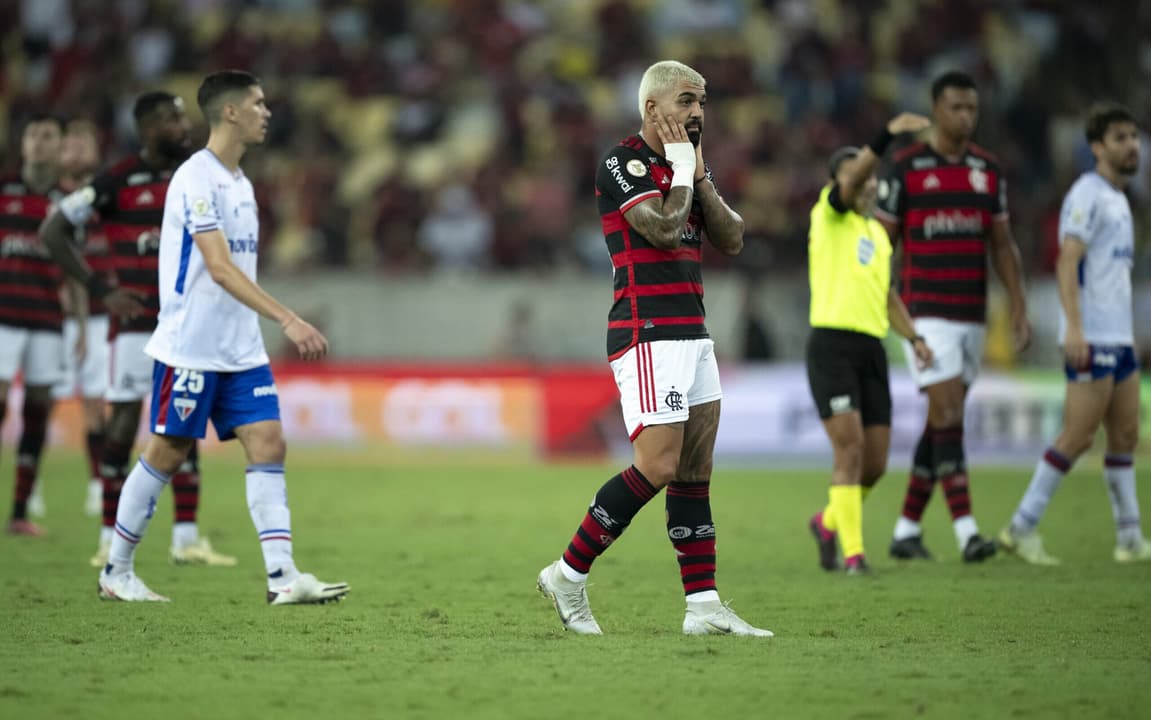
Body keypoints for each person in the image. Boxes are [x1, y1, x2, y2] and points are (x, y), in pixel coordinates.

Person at [94, 70, 348, 603]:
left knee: (268, 442)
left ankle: (282, 577)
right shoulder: (195, 179)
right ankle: (116, 572)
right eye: (258, 103)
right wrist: (287, 318)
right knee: (168, 450)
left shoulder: (239, 181)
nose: (267, 112)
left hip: (240, 350)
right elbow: (219, 268)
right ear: (230, 112)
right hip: (192, 346)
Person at [536, 60, 770, 636]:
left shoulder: (689, 166)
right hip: (648, 334)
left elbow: (733, 237)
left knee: (695, 470)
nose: (698, 113)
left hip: (694, 332)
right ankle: (568, 573)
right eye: (687, 101)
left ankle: (704, 608)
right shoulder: (622, 163)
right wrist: (685, 174)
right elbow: (664, 229)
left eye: (703, 102)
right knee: (659, 464)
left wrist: (696, 174)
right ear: (652, 109)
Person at [43, 93, 236, 569]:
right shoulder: (116, 181)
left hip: (189, 326)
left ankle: (186, 539)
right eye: (170, 118)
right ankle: (109, 539)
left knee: (184, 425)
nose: (182, 124)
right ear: (146, 129)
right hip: (134, 325)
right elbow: (53, 230)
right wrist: (99, 289)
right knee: (123, 424)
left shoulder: (199, 174)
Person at [876, 71, 1030, 562]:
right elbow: (881, 246)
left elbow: (1003, 246)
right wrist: (884, 302)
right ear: (936, 110)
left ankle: (904, 532)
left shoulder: (988, 170)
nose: (966, 117)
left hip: (973, 314)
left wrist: (1020, 307)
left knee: (943, 422)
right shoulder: (905, 167)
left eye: (972, 108)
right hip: (925, 312)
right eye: (957, 108)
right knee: (946, 414)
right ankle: (967, 533)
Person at [999, 103, 1151, 565]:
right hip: (1092, 337)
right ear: (1097, 147)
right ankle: (1020, 527)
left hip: (1119, 338)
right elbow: (1068, 261)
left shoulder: (1119, 198)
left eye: (1135, 137)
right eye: (1121, 137)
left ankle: (1129, 538)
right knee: (1078, 435)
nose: (1132, 145)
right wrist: (1076, 330)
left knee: (1125, 434)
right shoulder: (1086, 194)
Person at [806, 113, 935, 575]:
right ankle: (855, 556)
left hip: (872, 350)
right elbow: (853, 177)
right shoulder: (829, 215)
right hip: (832, 346)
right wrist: (883, 137)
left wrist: (914, 336)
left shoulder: (878, 237)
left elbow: (886, 296)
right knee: (850, 450)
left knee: (876, 463)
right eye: (857, 176)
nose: (866, 183)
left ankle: (826, 522)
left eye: (870, 178)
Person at [1, 114, 68, 536]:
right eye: (33, 134)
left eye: (48, 135)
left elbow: (75, 266)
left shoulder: (68, 203)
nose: (39, 142)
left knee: (38, 410)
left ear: (60, 146)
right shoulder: (5, 191)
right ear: (23, 143)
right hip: (4, 316)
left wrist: (78, 322)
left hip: (47, 320)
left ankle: (19, 512)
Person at [51, 119, 114, 518]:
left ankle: (98, 483)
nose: (75, 150)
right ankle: (30, 490)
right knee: (40, 399)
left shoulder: (108, 195)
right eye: (69, 143)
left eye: (83, 142)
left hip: (98, 314)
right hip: (46, 313)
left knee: (97, 401)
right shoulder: (48, 199)